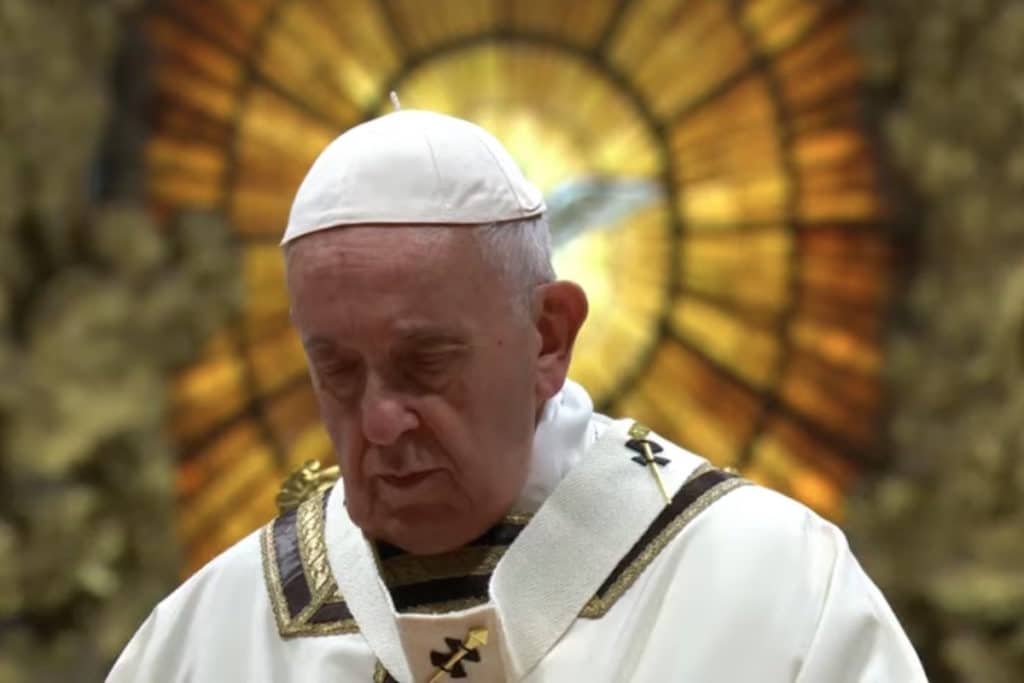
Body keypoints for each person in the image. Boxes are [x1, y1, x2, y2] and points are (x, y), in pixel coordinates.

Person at [108, 110, 927, 682]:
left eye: (426, 360)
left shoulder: (773, 588)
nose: (381, 421)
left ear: (549, 336)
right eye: (338, 372)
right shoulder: (212, 634)